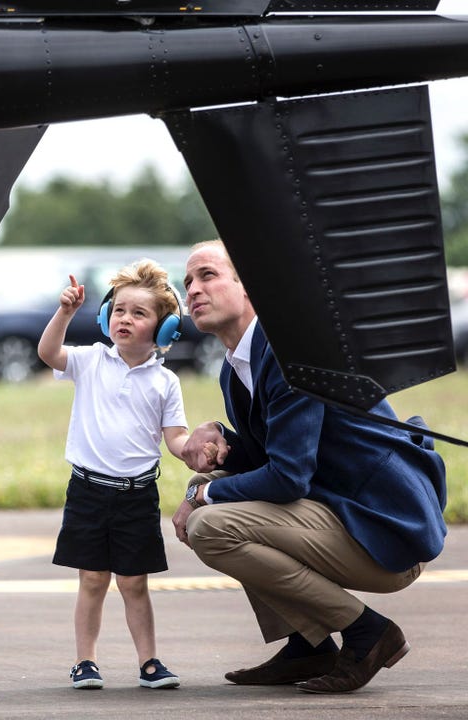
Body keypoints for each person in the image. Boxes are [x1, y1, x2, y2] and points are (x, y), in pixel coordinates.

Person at [172, 239, 447, 694]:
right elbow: (272, 457)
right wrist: (220, 444)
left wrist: (200, 496)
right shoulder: (236, 366)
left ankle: (367, 632)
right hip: (339, 513)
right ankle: (309, 644)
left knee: (211, 525)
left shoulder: (289, 354)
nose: (193, 291)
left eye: (207, 275)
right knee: (212, 488)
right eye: (188, 282)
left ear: (250, 289)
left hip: (385, 529)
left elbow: (287, 478)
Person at [38, 258, 188, 691]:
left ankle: (150, 663)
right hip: (87, 490)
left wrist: (196, 450)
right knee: (92, 579)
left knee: (134, 582)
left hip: (137, 495)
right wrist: (65, 313)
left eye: (139, 313)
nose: (125, 318)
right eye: (119, 309)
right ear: (105, 317)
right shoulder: (90, 361)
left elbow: (175, 439)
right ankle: (85, 661)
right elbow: (49, 353)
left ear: (163, 330)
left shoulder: (165, 383)